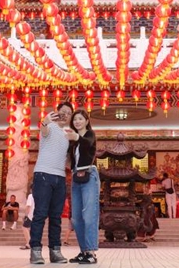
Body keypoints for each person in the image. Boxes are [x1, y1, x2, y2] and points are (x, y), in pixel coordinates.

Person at [28, 102, 74, 264]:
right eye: (63, 111)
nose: (65, 114)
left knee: (56, 217)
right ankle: (35, 251)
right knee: (40, 214)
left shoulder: (68, 133)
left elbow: (68, 158)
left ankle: (55, 251)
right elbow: (44, 130)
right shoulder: (50, 126)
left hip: (60, 178)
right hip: (43, 175)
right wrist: (45, 121)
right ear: (57, 112)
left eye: (69, 113)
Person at [65, 109, 99, 264]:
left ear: (86, 121)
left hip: (89, 176)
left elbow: (87, 144)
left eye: (80, 119)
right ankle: (83, 251)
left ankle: (91, 252)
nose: (77, 121)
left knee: (88, 214)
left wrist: (77, 137)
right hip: (76, 177)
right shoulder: (73, 142)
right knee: (76, 218)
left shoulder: (89, 135)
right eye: (75, 119)